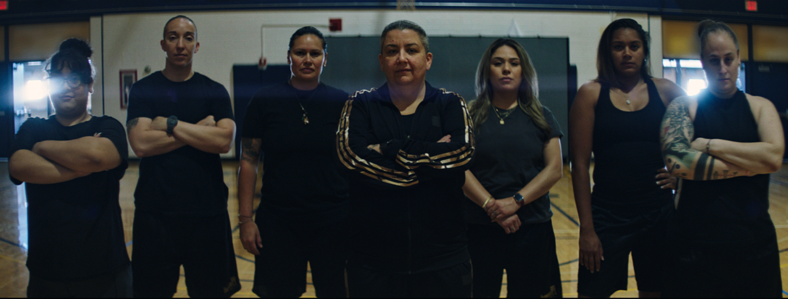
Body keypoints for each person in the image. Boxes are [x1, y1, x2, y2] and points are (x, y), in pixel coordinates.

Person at [336, 20, 475, 297]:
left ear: (428, 59)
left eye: (411, 49)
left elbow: (462, 154)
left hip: (443, 258)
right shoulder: (360, 104)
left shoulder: (451, 104)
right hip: (372, 261)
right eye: (392, 51)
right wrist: (429, 165)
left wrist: (386, 148)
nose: (402, 58)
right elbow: (350, 159)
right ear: (381, 61)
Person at [660, 19, 784, 298]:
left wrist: (710, 144)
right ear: (703, 62)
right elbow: (677, 161)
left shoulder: (761, 107)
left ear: (739, 57)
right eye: (714, 61)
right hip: (694, 244)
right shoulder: (685, 107)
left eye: (729, 59)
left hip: (753, 245)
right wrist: (749, 165)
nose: (723, 68)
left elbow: (774, 157)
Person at [126, 15, 240, 297]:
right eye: (173, 37)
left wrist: (169, 123)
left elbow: (224, 141)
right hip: (155, 215)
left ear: (196, 45)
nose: (180, 44)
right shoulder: (143, 89)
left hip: (207, 215)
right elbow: (140, 144)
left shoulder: (214, 91)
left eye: (188, 37)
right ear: (163, 44)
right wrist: (200, 131)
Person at [569, 18, 685, 298]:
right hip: (607, 215)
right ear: (607, 52)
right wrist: (587, 230)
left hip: (658, 213)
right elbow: (580, 165)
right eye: (618, 47)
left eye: (634, 46)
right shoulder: (591, 94)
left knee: (657, 290)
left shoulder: (667, 91)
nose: (627, 53)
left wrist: (681, 176)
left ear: (644, 50)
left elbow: (698, 139)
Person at [8, 38, 131, 297]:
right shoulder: (34, 127)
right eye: (58, 79)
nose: (66, 86)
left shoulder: (107, 126)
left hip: (104, 270)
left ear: (89, 85)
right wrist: (81, 168)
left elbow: (98, 156)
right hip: (48, 271)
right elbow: (18, 165)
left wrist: (41, 149)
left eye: (74, 78)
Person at [238, 26, 350, 298]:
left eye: (315, 53)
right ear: (289, 57)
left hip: (332, 220)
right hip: (278, 221)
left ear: (325, 58)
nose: (307, 59)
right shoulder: (264, 100)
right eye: (300, 53)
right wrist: (245, 220)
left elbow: (353, 162)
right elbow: (249, 161)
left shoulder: (341, 102)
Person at [461, 38, 564, 298]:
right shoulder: (468, 115)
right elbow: (458, 167)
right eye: (498, 63)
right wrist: (492, 207)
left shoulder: (542, 115)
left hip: (531, 228)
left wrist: (516, 202)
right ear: (487, 70)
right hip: (479, 229)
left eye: (513, 63)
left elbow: (554, 169)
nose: (506, 69)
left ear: (523, 71)